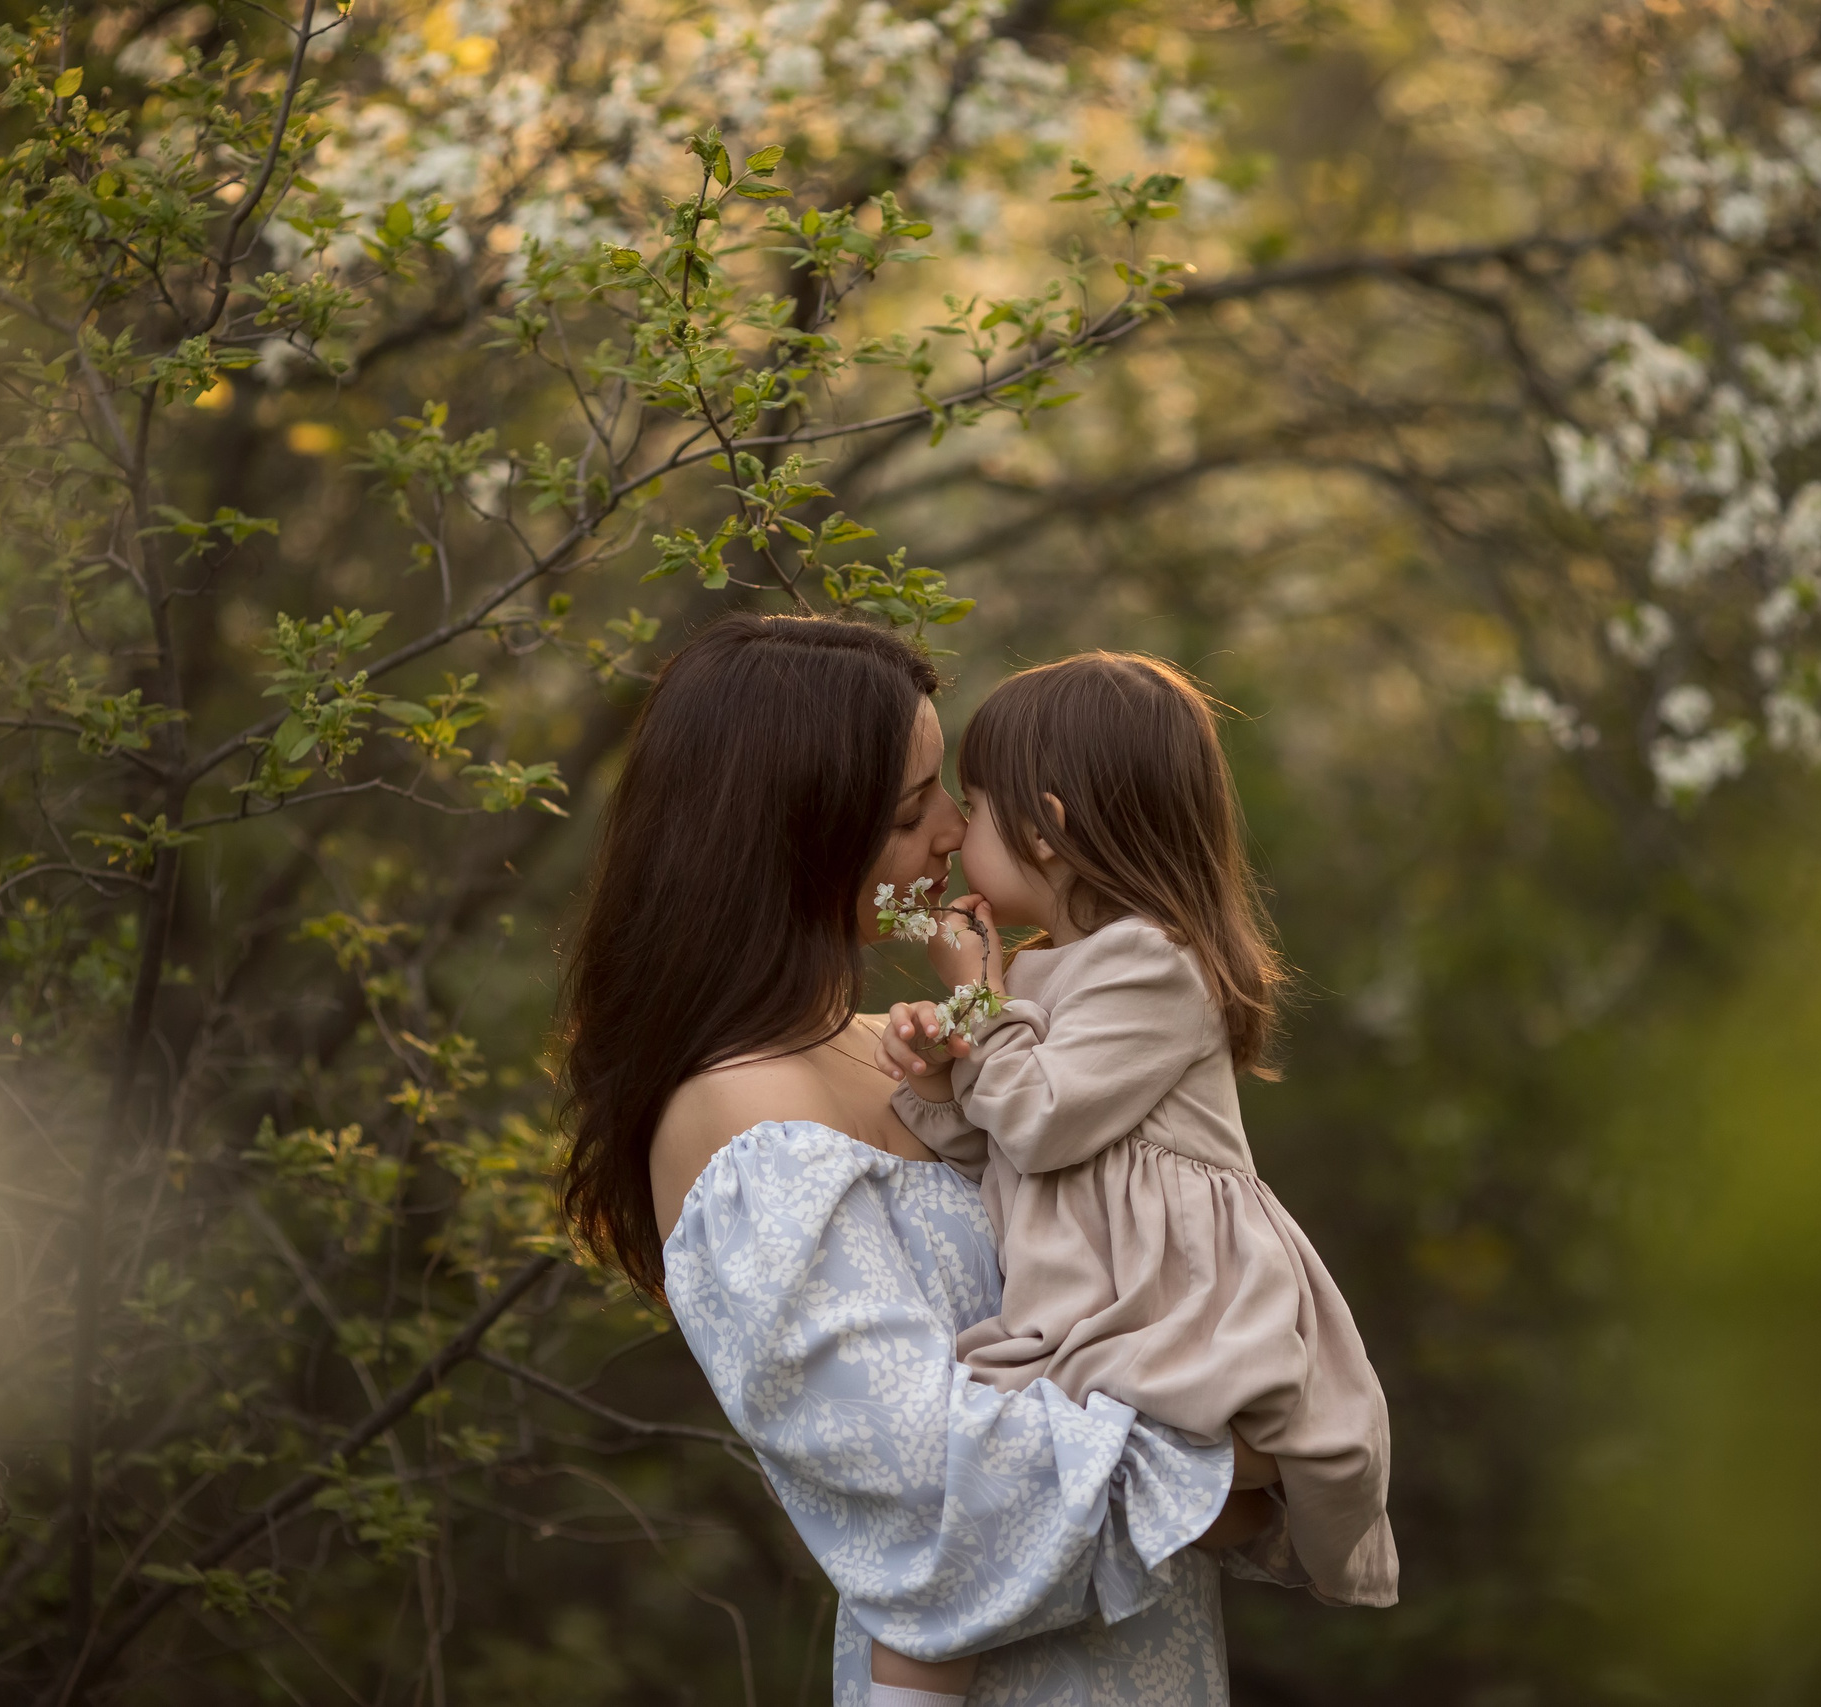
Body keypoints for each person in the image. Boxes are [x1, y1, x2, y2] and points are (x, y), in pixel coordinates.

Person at [561, 615, 1284, 1707]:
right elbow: (932, 1500)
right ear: (793, 839)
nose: (954, 831)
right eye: (913, 809)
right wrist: (1224, 1471)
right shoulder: (745, 1123)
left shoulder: (909, 1051)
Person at [871, 652, 1400, 1698]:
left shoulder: (1150, 962)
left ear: (1048, 829)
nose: (953, 834)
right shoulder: (1033, 969)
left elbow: (1044, 1116)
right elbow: (1002, 1138)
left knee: (985, 1483)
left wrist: (975, 996)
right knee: (988, 1484)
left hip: (1167, 1295)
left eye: (972, 807)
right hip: (1087, 1291)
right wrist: (939, 1069)